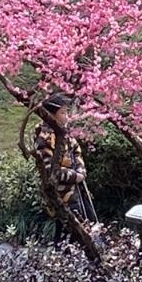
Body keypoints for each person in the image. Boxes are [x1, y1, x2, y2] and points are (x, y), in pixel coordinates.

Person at [33, 93, 96, 242]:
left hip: (76, 189)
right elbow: (50, 170)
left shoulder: (64, 133)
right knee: (70, 228)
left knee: (87, 222)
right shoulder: (44, 138)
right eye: (62, 112)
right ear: (50, 115)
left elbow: (76, 151)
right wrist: (75, 176)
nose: (66, 116)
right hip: (61, 192)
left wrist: (81, 170)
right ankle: (65, 259)